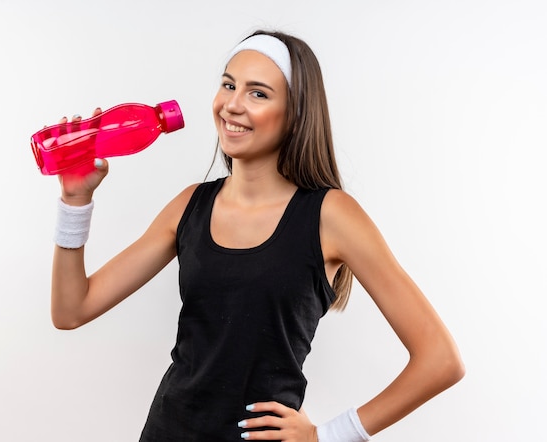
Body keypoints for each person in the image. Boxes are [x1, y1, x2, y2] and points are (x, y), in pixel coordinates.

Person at [48, 30, 465, 441]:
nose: (232, 104)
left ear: (296, 112)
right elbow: (72, 310)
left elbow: (441, 361)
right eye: (228, 85)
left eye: (258, 93)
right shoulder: (191, 205)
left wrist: (329, 435)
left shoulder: (331, 215)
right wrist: (75, 201)